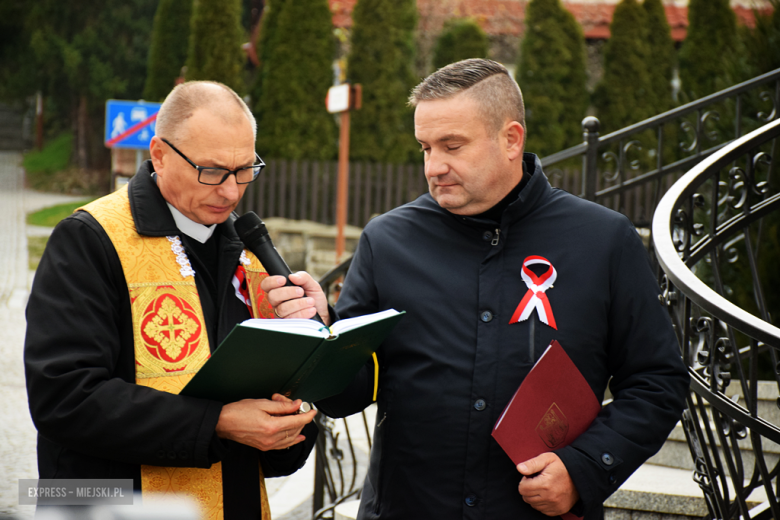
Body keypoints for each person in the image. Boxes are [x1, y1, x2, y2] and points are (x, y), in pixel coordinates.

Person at [262, 59, 689, 519]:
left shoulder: (603, 241)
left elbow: (657, 382)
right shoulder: (387, 240)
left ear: (511, 139)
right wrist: (320, 333)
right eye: (425, 147)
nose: (434, 166)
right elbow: (348, 397)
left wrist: (583, 468)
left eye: (452, 146)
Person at [24, 81, 317, 520]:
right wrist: (217, 422)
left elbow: (276, 438)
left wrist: (293, 406)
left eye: (244, 170)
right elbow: (63, 397)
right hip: (106, 503)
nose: (232, 192)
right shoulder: (89, 237)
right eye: (213, 170)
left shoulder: (252, 253)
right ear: (159, 154)